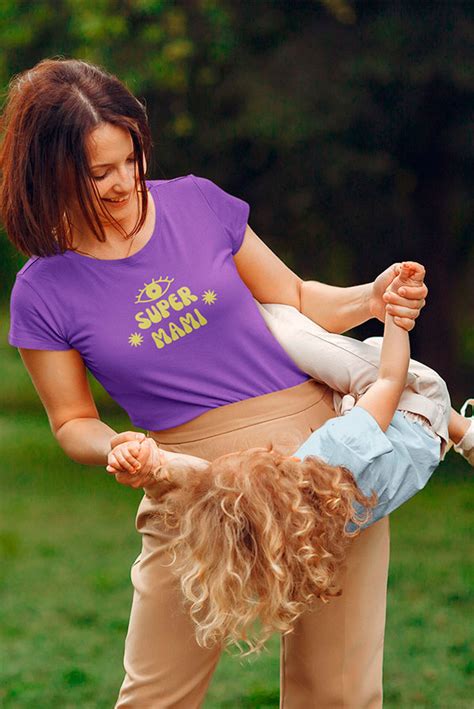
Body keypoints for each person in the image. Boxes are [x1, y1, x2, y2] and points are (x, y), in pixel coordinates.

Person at [2, 57, 430, 708]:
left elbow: (293, 295)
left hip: (327, 465)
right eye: (101, 173)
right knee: (154, 697)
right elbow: (69, 422)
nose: (127, 183)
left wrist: (370, 297)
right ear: (50, 173)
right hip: (190, 486)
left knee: (337, 694)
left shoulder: (197, 202)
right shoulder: (43, 290)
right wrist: (114, 444)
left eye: (132, 159)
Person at [110, 263, 473, 656]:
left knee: (330, 375)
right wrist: (397, 318)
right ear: (279, 474)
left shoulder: (285, 529)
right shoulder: (332, 459)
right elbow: (389, 379)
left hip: (409, 457)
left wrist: (153, 463)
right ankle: (462, 429)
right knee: (285, 323)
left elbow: (207, 482)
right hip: (419, 408)